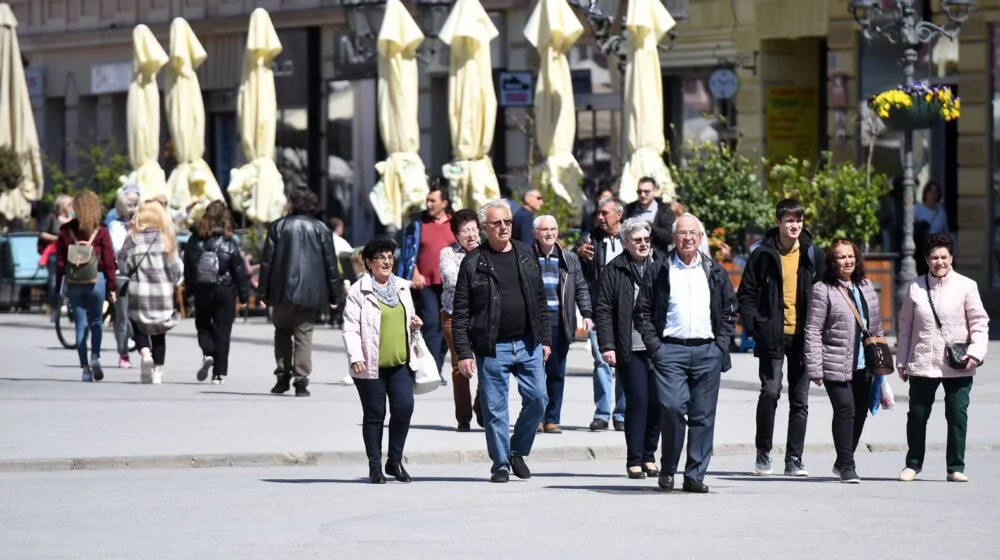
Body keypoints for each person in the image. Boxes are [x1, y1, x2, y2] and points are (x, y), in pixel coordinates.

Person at [635, 213, 737, 493]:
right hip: (670, 351)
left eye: (693, 233)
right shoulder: (660, 269)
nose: (688, 238)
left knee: (703, 416)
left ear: (700, 238)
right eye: (682, 233)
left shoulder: (713, 270)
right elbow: (642, 311)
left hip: (707, 351)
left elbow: (730, 310)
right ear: (674, 238)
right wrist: (655, 347)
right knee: (672, 408)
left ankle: (695, 476)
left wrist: (720, 346)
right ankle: (668, 469)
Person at [452, 199, 551, 483]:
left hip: (528, 343)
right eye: (497, 223)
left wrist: (544, 338)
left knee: (538, 399)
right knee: (495, 409)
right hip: (492, 347)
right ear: (485, 228)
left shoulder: (525, 253)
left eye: (507, 221)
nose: (504, 227)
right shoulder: (473, 262)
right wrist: (464, 353)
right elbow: (461, 313)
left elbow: (539, 300)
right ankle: (500, 464)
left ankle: (517, 450)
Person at [737, 198, 824, 477]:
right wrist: (755, 327)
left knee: (800, 400)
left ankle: (794, 458)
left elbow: (824, 292)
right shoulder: (762, 254)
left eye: (798, 220)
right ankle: (763, 453)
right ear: (778, 222)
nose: (794, 225)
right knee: (771, 392)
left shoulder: (812, 254)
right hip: (771, 334)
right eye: (789, 220)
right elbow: (746, 294)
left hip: (803, 336)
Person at [897, 233, 989, 483]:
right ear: (927, 259)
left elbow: (980, 323)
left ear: (951, 257)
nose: (940, 262)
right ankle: (912, 464)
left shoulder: (966, 286)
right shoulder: (915, 287)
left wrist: (975, 353)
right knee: (917, 415)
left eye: (944, 257)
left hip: (958, 363)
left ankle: (955, 466)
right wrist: (903, 360)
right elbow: (905, 326)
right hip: (923, 362)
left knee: (957, 415)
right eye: (934, 257)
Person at [343, 236, 423, 484]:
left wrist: (414, 324)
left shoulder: (401, 286)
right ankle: (375, 466)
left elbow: (407, 317)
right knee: (375, 414)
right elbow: (350, 327)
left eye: (390, 257)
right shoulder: (359, 291)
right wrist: (356, 356)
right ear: (368, 263)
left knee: (404, 408)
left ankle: (395, 461)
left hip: (400, 362)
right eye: (381, 257)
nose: (387, 261)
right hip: (370, 364)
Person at [804, 239, 883, 483]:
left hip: (863, 363)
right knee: (845, 410)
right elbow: (813, 330)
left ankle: (841, 460)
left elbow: (876, 325)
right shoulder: (822, 289)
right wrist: (815, 368)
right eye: (841, 257)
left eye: (850, 256)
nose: (847, 261)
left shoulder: (866, 286)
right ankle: (848, 465)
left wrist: (880, 362)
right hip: (834, 361)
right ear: (832, 261)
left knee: (860, 411)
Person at [595, 217, 661, 478]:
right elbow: (603, 310)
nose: (643, 244)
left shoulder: (660, 266)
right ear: (626, 243)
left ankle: (649, 456)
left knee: (658, 403)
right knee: (638, 402)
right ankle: (634, 459)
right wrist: (607, 345)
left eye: (646, 239)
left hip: (658, 347)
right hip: (629, 346)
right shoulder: (615, 269)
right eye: (637, 240)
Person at [259, 187, 341, 397]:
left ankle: (282, 376)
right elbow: (331, 264)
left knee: (282, 333)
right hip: (311, 292)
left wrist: (263, 292)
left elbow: (267, 262)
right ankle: (301, 381)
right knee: (304, 335)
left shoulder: (279, 226)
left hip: (282, 290)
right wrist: (335, 295)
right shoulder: (321, 228)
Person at [531, 214, 592, 434]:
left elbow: (581, 288)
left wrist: (586, 313)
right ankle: (535, 417)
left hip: (560, 321)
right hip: (534, 323)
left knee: (556, 372)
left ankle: (552, 418)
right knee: (535, 373)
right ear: (535, 233)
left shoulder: (569, 259)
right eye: (544, 229)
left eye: (553, 229)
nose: (549, 233)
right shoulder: (526, 256)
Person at [575, 196, 627, 431]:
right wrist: (578, 253)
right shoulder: (589, 239)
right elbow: (574, 266)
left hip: (628, 312)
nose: (600, 217)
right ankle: (603, 413)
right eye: (598, 213)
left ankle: (622, 414)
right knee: (601, 362)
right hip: (599, 310)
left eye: (605, 213)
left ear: (619, 215)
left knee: (626, 362)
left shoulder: (631, 237)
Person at [185, 200, 250, 384]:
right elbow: (238, 270)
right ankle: (218, 374)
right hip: (225, 289)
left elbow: (188, 268)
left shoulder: (194, 239)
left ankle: (207, 353)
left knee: (203, 324)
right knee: (223, 331)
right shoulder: (229, 241)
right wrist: (244, 294)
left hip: (202, 288)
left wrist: (189, 291)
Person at [55, 190, 117, 382]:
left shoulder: (66, 231)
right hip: (96, 279)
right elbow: (108, 261)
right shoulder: (102, 231)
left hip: (75, 281)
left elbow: (59, 262)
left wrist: (59, 286)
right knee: (96, 321)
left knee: (80, 323)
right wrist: (112, 286)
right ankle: (95, 357)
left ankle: (85, 368)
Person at [118, 201, 183, 384]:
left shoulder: (132, 239)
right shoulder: (167, 239)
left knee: (139, 326)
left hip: (139, 292)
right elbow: (175, 271)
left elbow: (123, 267)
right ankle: (157, 373)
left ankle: (146, 355)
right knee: (159, 333)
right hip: (162, 293)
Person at [396, 182, 455, 384]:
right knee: (431, 324)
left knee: (447, 326)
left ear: (444, 203)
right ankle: (431, 370)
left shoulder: (454, 224)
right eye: (427, 200)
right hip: (426, 283)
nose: (428, 204)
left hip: (450, 284)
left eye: (433, 200)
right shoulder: (418, 225)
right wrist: (415, 273)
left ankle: (436, 366)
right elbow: (409, 253)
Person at [439, 209, 484, 431]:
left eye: (474, 229)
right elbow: (451, 279)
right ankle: (463, 418)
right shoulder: (447, 253)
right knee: (460, 366)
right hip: (454, 316)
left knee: (488, 363)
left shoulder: (488, 251)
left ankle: (481, 407)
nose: (471, 235)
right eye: (465, 231)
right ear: (456, 235)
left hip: (483, 317)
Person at [108, 184, 141, 369]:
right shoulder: (116, 226)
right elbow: (118, 249)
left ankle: (146, 351)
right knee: (122, 317)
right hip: (122, 276)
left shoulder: (142, 224)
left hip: (140, 275)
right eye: (129, 205)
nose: (133, 208)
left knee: (139, 317)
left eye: (135, 204)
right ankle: (123, 354)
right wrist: (130, 233)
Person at [40, 194, 74, 321]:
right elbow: (42, 233)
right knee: (54, 283)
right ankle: (55, 309)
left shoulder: (73, 218)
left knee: (71, 283)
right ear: (62, 205)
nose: (71, 207)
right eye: (69, 204)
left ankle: (71, 310)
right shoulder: (52, 217)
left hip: (71, 254)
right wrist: (57, 238)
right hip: (55, 254)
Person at [625, 177, 675, 254]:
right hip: (632, 257)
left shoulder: (664, 210)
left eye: (646, 191)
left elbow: (670, 237)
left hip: (656, 259)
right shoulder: (629, 208)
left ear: (654, 191)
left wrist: (648, 226)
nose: (642, 195)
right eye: (639, 191)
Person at [914, 181, 949, 276]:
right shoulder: (917, 209)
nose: (933, 195)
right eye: (931, 191)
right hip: (921, 249)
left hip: (936, 249)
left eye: (936, 192)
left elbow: (946, 232)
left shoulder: (941, 213)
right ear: (926, 193)